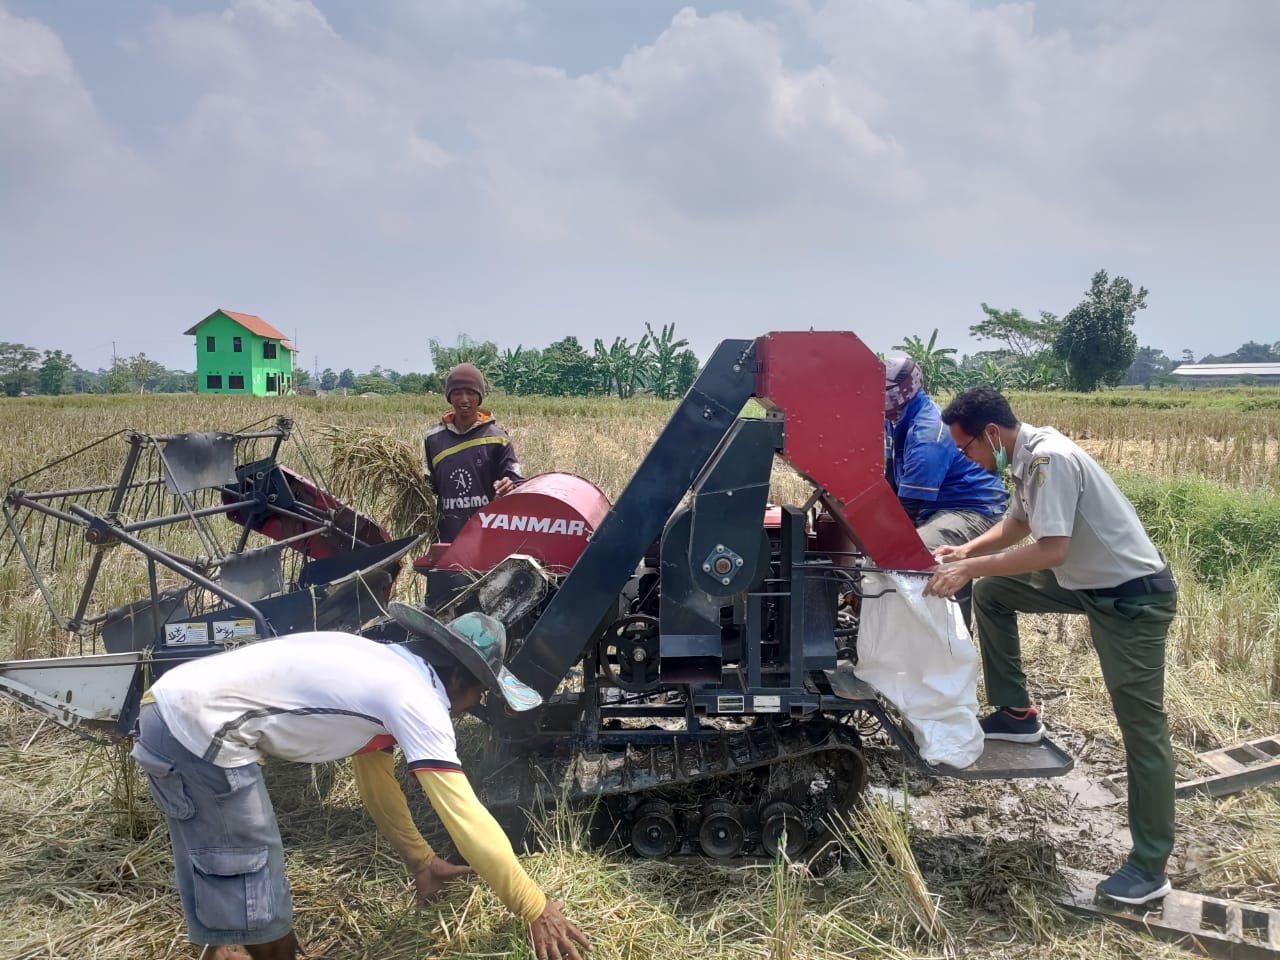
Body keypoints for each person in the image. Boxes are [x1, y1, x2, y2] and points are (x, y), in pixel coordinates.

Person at [132, 608, 590, 960]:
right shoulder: (418, 699)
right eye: (479, 693)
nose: (474, 705)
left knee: (238, 895)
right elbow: (464, 815)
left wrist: (421, 861)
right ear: (457, 678)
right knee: (260, 909)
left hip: (173, 711)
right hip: (198, 732)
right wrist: (534, 906)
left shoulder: (388, 665)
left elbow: (377, 781)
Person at [923, 386, 1178, 906]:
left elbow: (1050, 548)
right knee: (993, 591)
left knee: (1142, 729)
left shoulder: (1050, 458)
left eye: (966, 448)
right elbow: (1018, 524)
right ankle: (1017, 715)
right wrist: (967, 549)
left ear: (990, 433)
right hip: (1085, 584)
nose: (967, 458)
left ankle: (1150, 866)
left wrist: (968, 568)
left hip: (1130, 600)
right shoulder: (1024, 457)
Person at [883, 355, 1007, 626]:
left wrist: (882, 546)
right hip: (936, 507)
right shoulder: (895, 419)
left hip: (973, 509)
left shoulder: (928, 431)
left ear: (905, 393)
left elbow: (907, 508)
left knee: (916, 557)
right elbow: (890, 478)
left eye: (892, 408)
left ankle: (951, 643)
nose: (889, 414)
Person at [426, 362, 524, 542]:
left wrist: (508, 486)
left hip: (488, 535)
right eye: (457, 393)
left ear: (480, 397)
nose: (464, 399)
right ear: (449, 397)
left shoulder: (497, 438)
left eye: (471, 393)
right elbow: (432, 484)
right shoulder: (433, 438)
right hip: (448, 536)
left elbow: (517, 482)